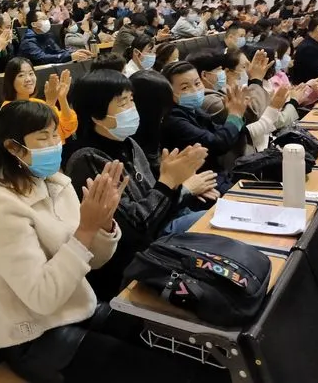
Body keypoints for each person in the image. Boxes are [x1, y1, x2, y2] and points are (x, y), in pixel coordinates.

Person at [0, 100, 214, 383]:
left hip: (79, 308)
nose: (54, 144)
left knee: (186, 345)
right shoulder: (0, 207)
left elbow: (95, 262)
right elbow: (41, 298)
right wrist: (86, 229)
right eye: (43, 138)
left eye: (55, 135)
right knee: (167, 373)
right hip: (35, 336)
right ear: (13, 148)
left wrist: (104, 224)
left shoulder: (56, 183)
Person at [66, 69, 210, 297]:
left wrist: (177, 184)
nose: (132, 109)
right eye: (122, 103)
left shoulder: (129, 144)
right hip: (130, 264)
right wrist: (169, 182)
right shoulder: (88, 159)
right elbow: (134, 229)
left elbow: (158, 207)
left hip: (157, 241)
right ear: (96, 115)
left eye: (131, 100)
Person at [160, 61, 246, 193]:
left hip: (216, 176)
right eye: (185, 88)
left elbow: (218, 132)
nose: (195, 90)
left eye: (197, 83)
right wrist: (235, 116)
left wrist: (234, 115)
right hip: (200, 183)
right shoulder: (174, 119)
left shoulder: (194, 110)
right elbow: (218, 143)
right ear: (169, 93)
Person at [2, 57, 77, 142]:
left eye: (31, 73)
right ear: (10, 80)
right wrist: (51, 103)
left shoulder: (38, 102)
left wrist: (62, 98)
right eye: (21, 75)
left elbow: (67, 127)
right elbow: (39, 138)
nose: (28, 79)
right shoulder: (8, 109)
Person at [19, 10, 91, 65]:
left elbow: (58, 51)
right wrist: (70, 56)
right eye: (43, 19)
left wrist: (75, 53)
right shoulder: (28, 41)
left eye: (46, 18)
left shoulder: (47, 36)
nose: (47, 21)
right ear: (34, 24)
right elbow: (42, 58)